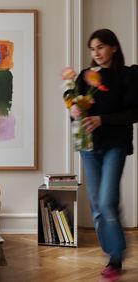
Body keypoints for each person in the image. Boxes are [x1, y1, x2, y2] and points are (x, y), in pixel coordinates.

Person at [75, 29, 138, 280]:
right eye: (92, 49)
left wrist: (102, 119)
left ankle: (116, 257)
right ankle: (112, 252)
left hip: (115, 146)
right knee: (97, 206)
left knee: (107, 200)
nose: (96, 53)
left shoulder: (128, 76)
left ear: (113, 47)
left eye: (100, 47)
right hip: (89, 147)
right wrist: (75, 112)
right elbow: (76, 105)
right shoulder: (84, 76)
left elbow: (134, 114)